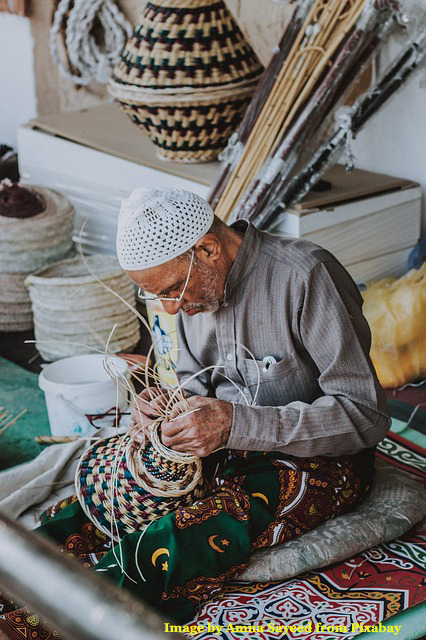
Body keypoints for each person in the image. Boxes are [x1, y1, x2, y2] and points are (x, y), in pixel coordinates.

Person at [2, 187, 388, 633]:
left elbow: (366, 414)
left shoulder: (306, 276)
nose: (169, 308)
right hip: (221, 446)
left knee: (176, 540)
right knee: (95, 505)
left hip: (317, 459)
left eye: (170, 290)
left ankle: (37, 629)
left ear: (207, 249)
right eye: (155, 297)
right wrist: (163, 406)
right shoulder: (193, 290)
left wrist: (235, 424)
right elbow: (192, 384)